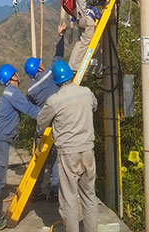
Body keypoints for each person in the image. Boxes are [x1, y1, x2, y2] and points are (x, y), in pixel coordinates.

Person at [37, 60, 98, 232]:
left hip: (68, 155)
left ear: (56, 81)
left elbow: (41, 121)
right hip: (87, 151)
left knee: (69, 199)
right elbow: (94, 106)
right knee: (89, 196)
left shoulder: (54, 100)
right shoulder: (86, 92)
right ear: (70, 76)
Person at [0, 64, 39, 230]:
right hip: (0, 141)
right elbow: (30, 110)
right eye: (16, 73)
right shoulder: (12, 93)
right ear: (12, 77)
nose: (18, 75)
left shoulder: (8, 93)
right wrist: (49, 112)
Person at [24, 23, 67, 199]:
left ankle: (36, 190)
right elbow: (59, 55)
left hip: (43, 123)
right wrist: (60, 36)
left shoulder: (30, 89)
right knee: (57, 155)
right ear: (40, 67)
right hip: (57, 121)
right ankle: (55, 190)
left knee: (41, 157)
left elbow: (29, 107)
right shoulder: (50, 74)